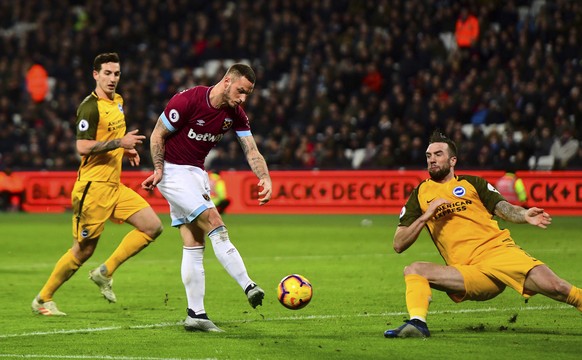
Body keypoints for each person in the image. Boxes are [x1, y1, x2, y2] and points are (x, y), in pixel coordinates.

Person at [384, 131, 582, 338]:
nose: (432, 159)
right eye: (428, 155)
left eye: (438, 154)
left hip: (499, 253)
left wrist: (524, 214)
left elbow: (503, 208)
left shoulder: (473, 184)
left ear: (453, 160)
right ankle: (417, 324)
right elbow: (398, 244)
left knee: (558, 287)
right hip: (468, 271)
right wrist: (427, 215)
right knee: (414, 269)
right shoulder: (419, 195)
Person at [142, 63, 272, 332]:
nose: (243, 98)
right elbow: (158, 134)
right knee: (215, 222)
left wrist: (265, 177)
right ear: (227, 81)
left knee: (194, 242)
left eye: (248, 94)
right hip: (173, 173)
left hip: (196, 174)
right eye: (241, 91)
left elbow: (251, 149)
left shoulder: (235, 113)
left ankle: (195, 314)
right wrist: (157, 169)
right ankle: (248, 285)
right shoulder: (187, 100)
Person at [32, 53, 163, 316]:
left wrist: (124, 151)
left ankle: (105, 272)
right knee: (82, 251)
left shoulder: (117, 102)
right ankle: (43, 299)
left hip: (114, 186)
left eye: (116, 74)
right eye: (107, 73)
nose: (113, 78)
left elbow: (111, 138)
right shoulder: (89, 108)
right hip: (92, 189)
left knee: (152, 227)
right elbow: (82, 147)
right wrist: (119, 143)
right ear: (96, 74)